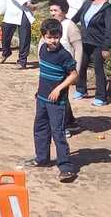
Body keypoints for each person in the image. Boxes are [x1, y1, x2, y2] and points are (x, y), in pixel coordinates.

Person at [24, 19, 78, 183]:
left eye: (56, 37)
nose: (53, 41)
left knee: (58, 133)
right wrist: (41, 91)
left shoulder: (64, 55)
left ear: (60, 36)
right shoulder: (42, 50)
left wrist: (58, 89)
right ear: (43, 37)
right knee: (40, 129)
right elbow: (44, 74)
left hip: (57, 102)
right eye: (49, 37)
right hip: (41, 98)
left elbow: (74, 75)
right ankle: (42, 158)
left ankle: (66, 167)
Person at [71, 0, 111, 107]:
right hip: (84, 41)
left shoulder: (107, 9)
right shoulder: (87, 4)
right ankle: (81, 90)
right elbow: (76, 18)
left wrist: (106, 47)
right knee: (81, 66)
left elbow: (110, 29)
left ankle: (101, 96)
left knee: (98, 70)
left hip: (98, 44)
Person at [47, 0, 83, 136]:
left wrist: (77, 71)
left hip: (65, 69)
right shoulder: (52, 25)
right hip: (52, 67)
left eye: (55, 10)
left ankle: (62, 126)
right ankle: (70, 121)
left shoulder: (70, 26)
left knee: (60, 96)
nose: (53, 13)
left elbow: (78, 49)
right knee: (61, 96)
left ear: (64, 11)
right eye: (51, 10)